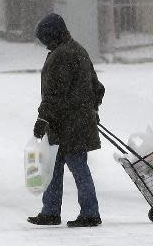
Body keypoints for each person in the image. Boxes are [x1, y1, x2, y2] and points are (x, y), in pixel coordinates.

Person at [27, 12, 105, 228]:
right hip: (76, 122)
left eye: (44, 38)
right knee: (56, 167)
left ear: (52, 35)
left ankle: (89, 213)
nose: (43, 44)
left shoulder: (61, 55)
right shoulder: (78, 50)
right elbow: (97, 88)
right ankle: (51, 211)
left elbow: (54, 95)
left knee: (77, 168)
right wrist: (90, 109)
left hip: (67, 124)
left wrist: (43, 118)